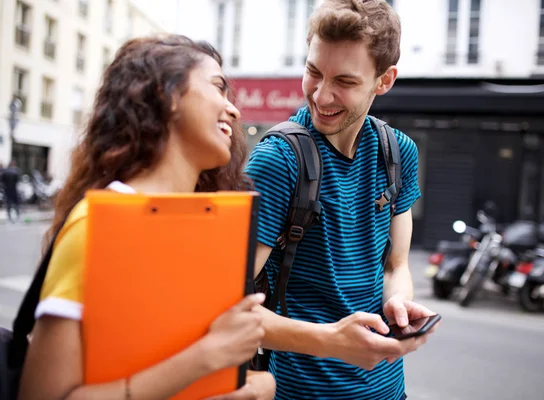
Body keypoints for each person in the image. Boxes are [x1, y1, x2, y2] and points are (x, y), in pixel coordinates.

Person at [19, 35, 275, 400]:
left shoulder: (206, 225)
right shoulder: (96, 224)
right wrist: (205, 357)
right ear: (166, 94)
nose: (233, 110)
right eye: (218, 87)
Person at [245, 1, 439, 399]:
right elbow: (224, 304)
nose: (321, 94)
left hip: (388, 389)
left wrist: (400, 304)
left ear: (383, 81)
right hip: (299, 391)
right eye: (313, 71)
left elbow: (396, 266)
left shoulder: (398, 151)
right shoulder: (277, 160)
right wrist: (331, 340)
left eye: (345, 82)